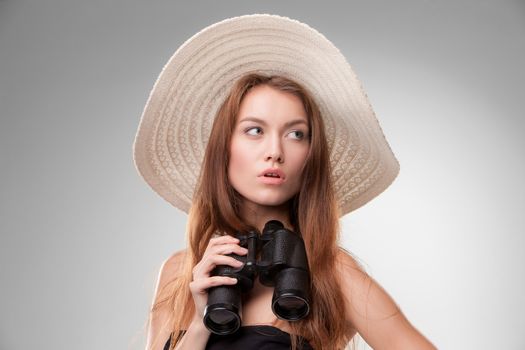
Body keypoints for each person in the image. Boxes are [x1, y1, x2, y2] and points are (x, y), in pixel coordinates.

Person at [133, 14, 437, 350]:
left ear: (311, 156)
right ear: (224, 148)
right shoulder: (180, 272)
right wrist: (200, 321)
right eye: (255, 130)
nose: (275, 151)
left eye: (295, 134)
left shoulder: (331, 272)